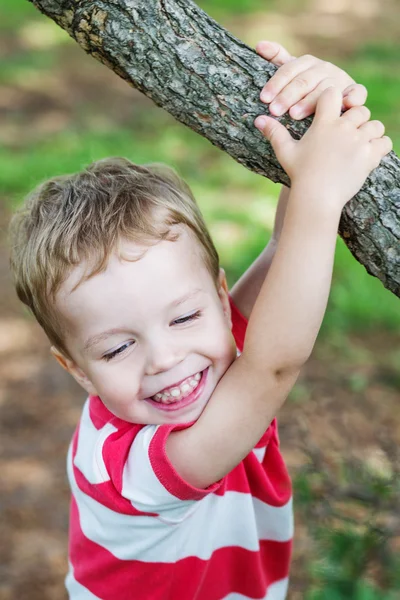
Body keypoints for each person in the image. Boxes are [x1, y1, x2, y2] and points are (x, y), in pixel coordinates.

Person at [8, 40, 391, 600]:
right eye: (116, 349)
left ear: (217, 295)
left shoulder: (205, 345)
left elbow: (291, 241)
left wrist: (320, 105)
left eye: (184, 315)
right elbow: (272, 368)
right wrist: (318, 193)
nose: (165, 358)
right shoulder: (132, 472)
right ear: (78, 371)